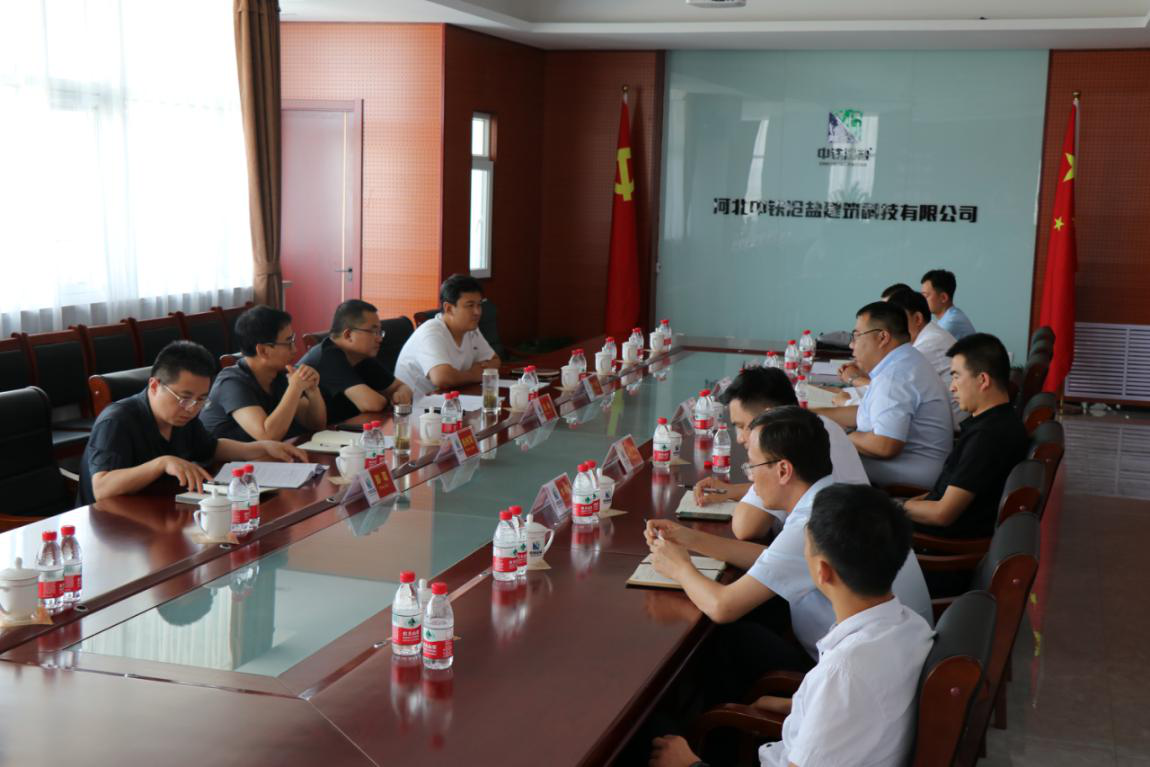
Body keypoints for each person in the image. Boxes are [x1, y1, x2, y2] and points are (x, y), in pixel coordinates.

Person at [650, 484, 935, 767]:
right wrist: (799, 707)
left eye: (805, 549)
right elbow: (864, 712)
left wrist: (688, 764)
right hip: (803, 743)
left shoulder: (843, 675)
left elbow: (846, 695)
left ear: (822, 572)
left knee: (653, 731)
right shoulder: (911, 626)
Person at [646, 408, 932, 684]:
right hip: (893, 654)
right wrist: (688, 538)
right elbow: (773, 559)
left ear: (783, 470)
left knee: (724, 637)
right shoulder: (832, 497)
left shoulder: (813, 523)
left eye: (752, 466)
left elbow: (723, 607)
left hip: (852, 672)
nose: (750, 478)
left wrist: (680, 568)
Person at [79, 341, 307, 505]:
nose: (192, 408)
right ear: (155, 386)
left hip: (161, 509)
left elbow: (212, 448)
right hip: (113, 527)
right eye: (184, 398)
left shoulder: (183, 415)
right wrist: (161, 463)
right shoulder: (117, 421)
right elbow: (102, 489)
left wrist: (263, 447)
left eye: (201, 399)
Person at [691, 367, 868, 541]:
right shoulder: (814, 426)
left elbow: (746, 527)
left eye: (743, 426)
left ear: (768, 415)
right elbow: (796, 485)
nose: (740, 438)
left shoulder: (793, 443)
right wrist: (733, 491)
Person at [903, 333, 1029, 539]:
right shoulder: (996, 422)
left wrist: (900, 507)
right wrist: (907, 504)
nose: (952, 387)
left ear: (983, 380)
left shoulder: (988, 437)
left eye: (956, 376)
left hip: (942, 542)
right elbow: (944, 492)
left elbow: (942, 514)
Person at [817, 302, 953, 489]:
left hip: (908, 474)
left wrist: (843, 433)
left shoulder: (895, 376)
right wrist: (815, 414)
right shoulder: (903, 361)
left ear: (882, 337)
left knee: (812, 460)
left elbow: (885, 446)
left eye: (857, 335)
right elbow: (867, 412)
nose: (851, 344)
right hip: (918, 466)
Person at [838, 289, 963, 428]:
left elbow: (892, 394)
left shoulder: (929, 344)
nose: (893, 324)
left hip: (954, 428)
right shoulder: (913, 347)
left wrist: (853, 380)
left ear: (917, 319)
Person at [199, 305, 326, 441]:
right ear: (263, 351)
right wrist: (295, 388)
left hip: (265, 453)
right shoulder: (231, 382)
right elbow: (267, 435)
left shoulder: (280, 374)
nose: (295, 349)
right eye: (288, 342)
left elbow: (316, 425)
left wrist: (313, 391)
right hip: (222, 455)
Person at [299, 299, 412, 423]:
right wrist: (389, 399)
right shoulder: (328, 356)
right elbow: (372, 404)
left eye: (380, 332)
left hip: (347, 428)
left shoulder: (360, 356)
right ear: (348, 335)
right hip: (312, 433)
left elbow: (401, 387)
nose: (379, 339)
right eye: (373, 332)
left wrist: (401, 394)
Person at [394, 274, 500, 397]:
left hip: (449, 399)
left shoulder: (470, 329)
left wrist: (458, 375)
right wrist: (474, 374)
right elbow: (442, 378)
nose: (477, 312)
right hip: (417, 405)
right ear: (448, 308)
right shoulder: (431, 332)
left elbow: (495, 361)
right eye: (470, 305)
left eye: (479, 305)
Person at [921, 268, 975, 340]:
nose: (922, 300)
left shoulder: (950, 323)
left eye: (925, 296)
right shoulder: (949, 317)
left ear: (943, 298)